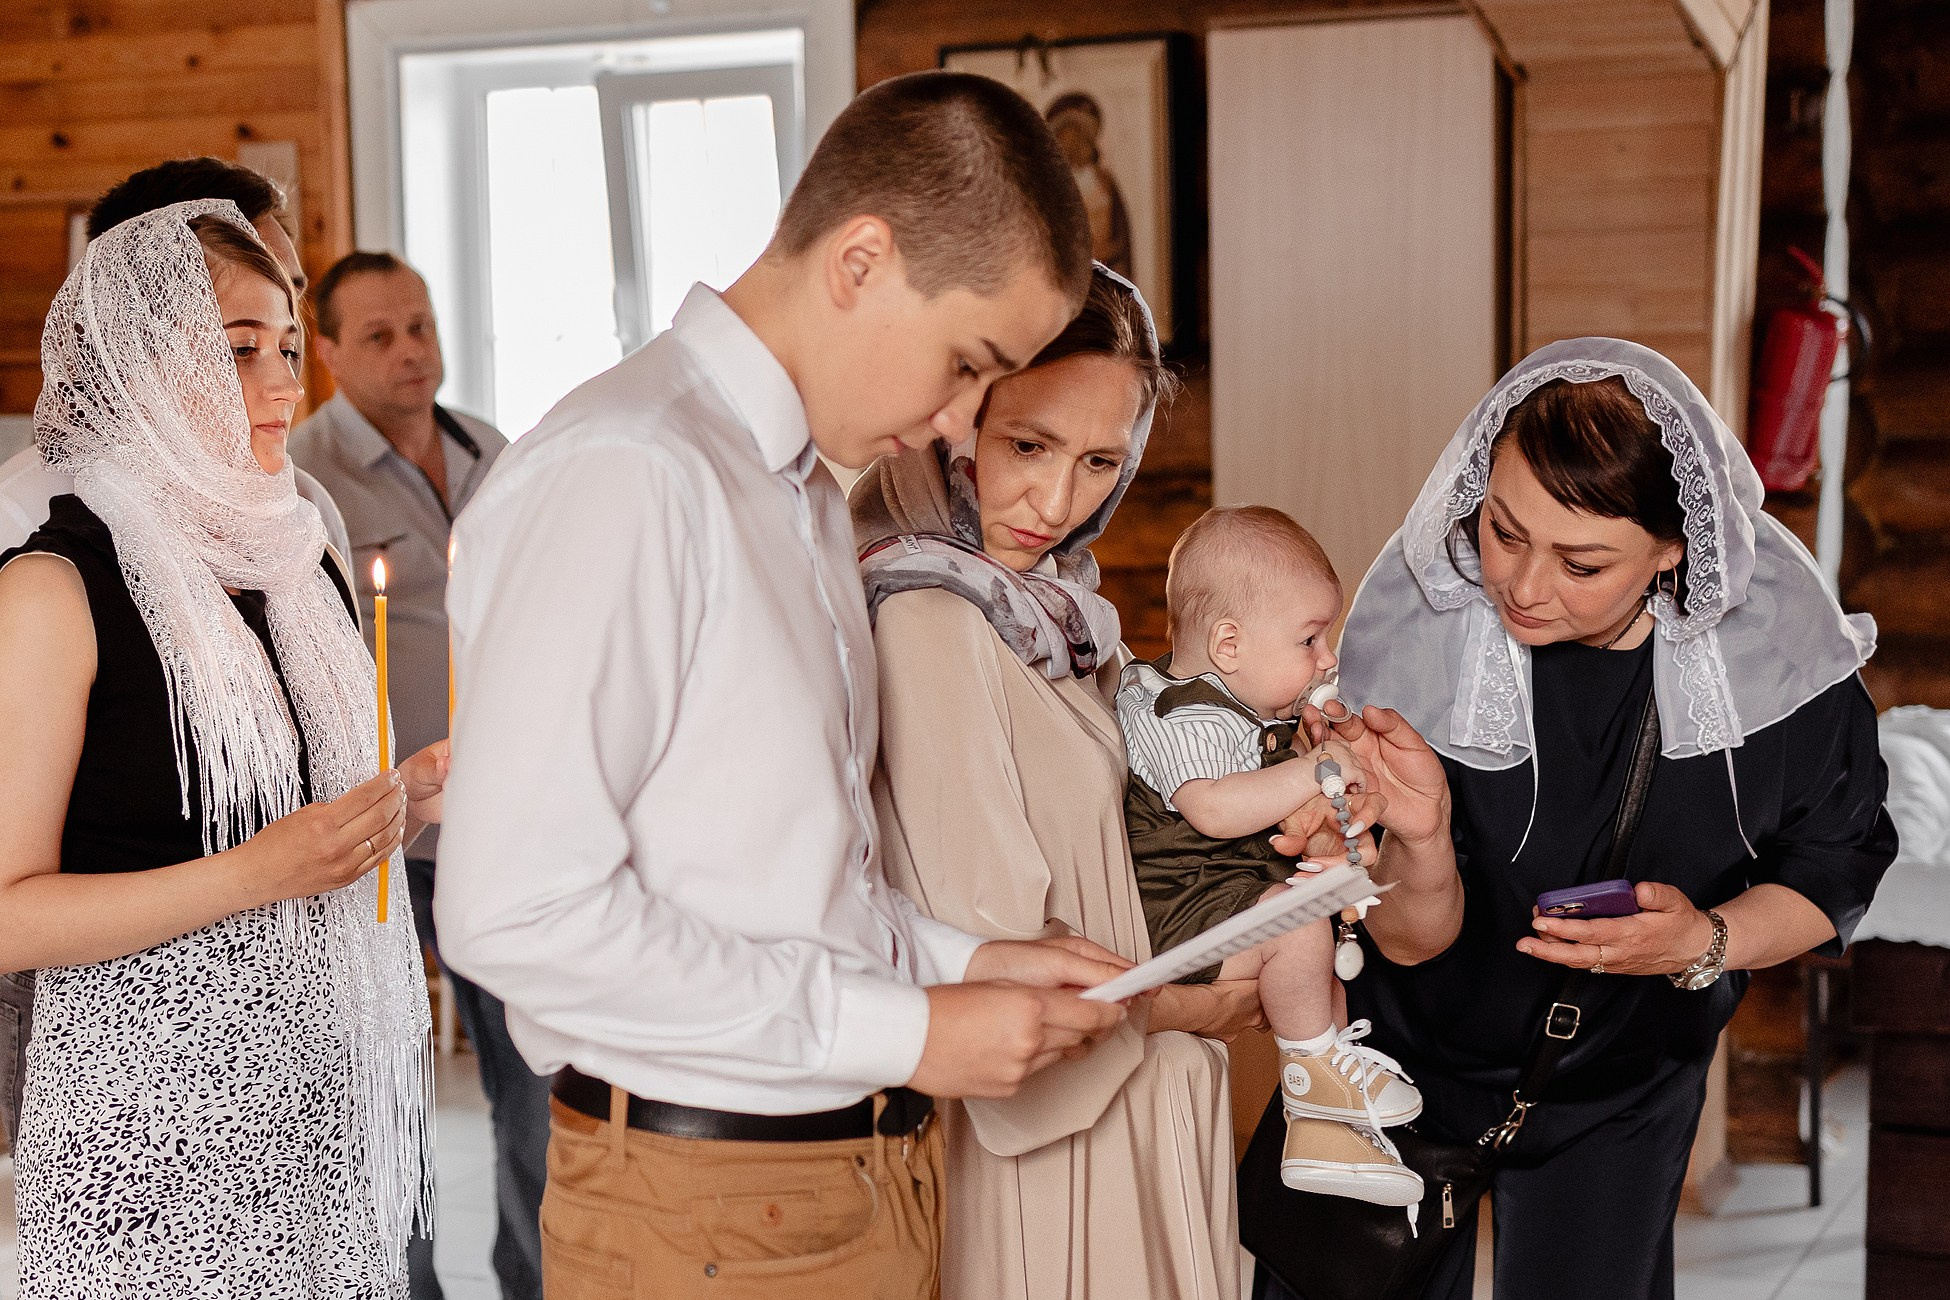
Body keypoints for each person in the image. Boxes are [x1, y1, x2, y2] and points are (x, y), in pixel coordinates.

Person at [434, 71, 1132, 1300]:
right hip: (705, 1209)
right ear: (861, 260)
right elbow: (515, 915)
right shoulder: (630, 471)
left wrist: (964, 961)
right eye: (968, 363)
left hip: (848, 1180)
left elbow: (790, 883)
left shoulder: (804, 489)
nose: (960, 423)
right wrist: (909, 1029)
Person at [1255, 338, 1897, 1300]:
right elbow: (1410, 940)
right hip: (1394, 1068)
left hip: (1619, 1095)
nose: (1522, 585)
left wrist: (1706, 940)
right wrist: (1420, 844)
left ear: (1674, 549)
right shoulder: (1415, 633)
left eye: (1583, 562)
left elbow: (1837, 862)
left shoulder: (1782, 667)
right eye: (1504, 532)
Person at [854, 267, 1362, 1299]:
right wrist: (1204, 1003)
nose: (1057, 501)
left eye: (1099, 461)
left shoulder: (1068, 618)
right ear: (957, 417)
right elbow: (989, 962)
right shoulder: (931, 619)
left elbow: (1155, 833)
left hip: (1152, 1090)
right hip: (1051, 1138)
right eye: (1026, 446)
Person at [0, 201, 441, 1295]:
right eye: (239, 350)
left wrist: (403, 803)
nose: (285, 382)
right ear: (141, 367)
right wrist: (258, 874)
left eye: (289, 346)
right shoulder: (55, 588)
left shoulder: (300, 561)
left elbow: (307, 814)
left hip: (326, 1126)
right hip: (147, 1139)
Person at [290, 253, 533, 1300]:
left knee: (532, 1082)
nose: (410, 351)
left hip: (503, 823)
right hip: (381, 835)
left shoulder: (494, 450)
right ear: (331, 351)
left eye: (422, 326)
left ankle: (536, 1280)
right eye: (381, 334)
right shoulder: (302, 476)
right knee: (395, 1099)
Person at [1118, 505, 1422, 1206]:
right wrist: (1318, 769)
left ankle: (1328, 1132)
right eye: (1310, 640)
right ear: (1229, 643)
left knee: (1327, 985)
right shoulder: (1181, 715)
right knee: (1298, 929)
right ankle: (1315, 1077)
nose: (1328, 659)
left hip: (1227, 897)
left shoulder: (1252, 716)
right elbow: (1215, 809)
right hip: (1184, 913)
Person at [1045, 93, 1132, 279]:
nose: (1073, 144)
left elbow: (1120, 238)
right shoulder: (1051, 185)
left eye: (1078, 136)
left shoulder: (1104, 183)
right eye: (1065, 138)